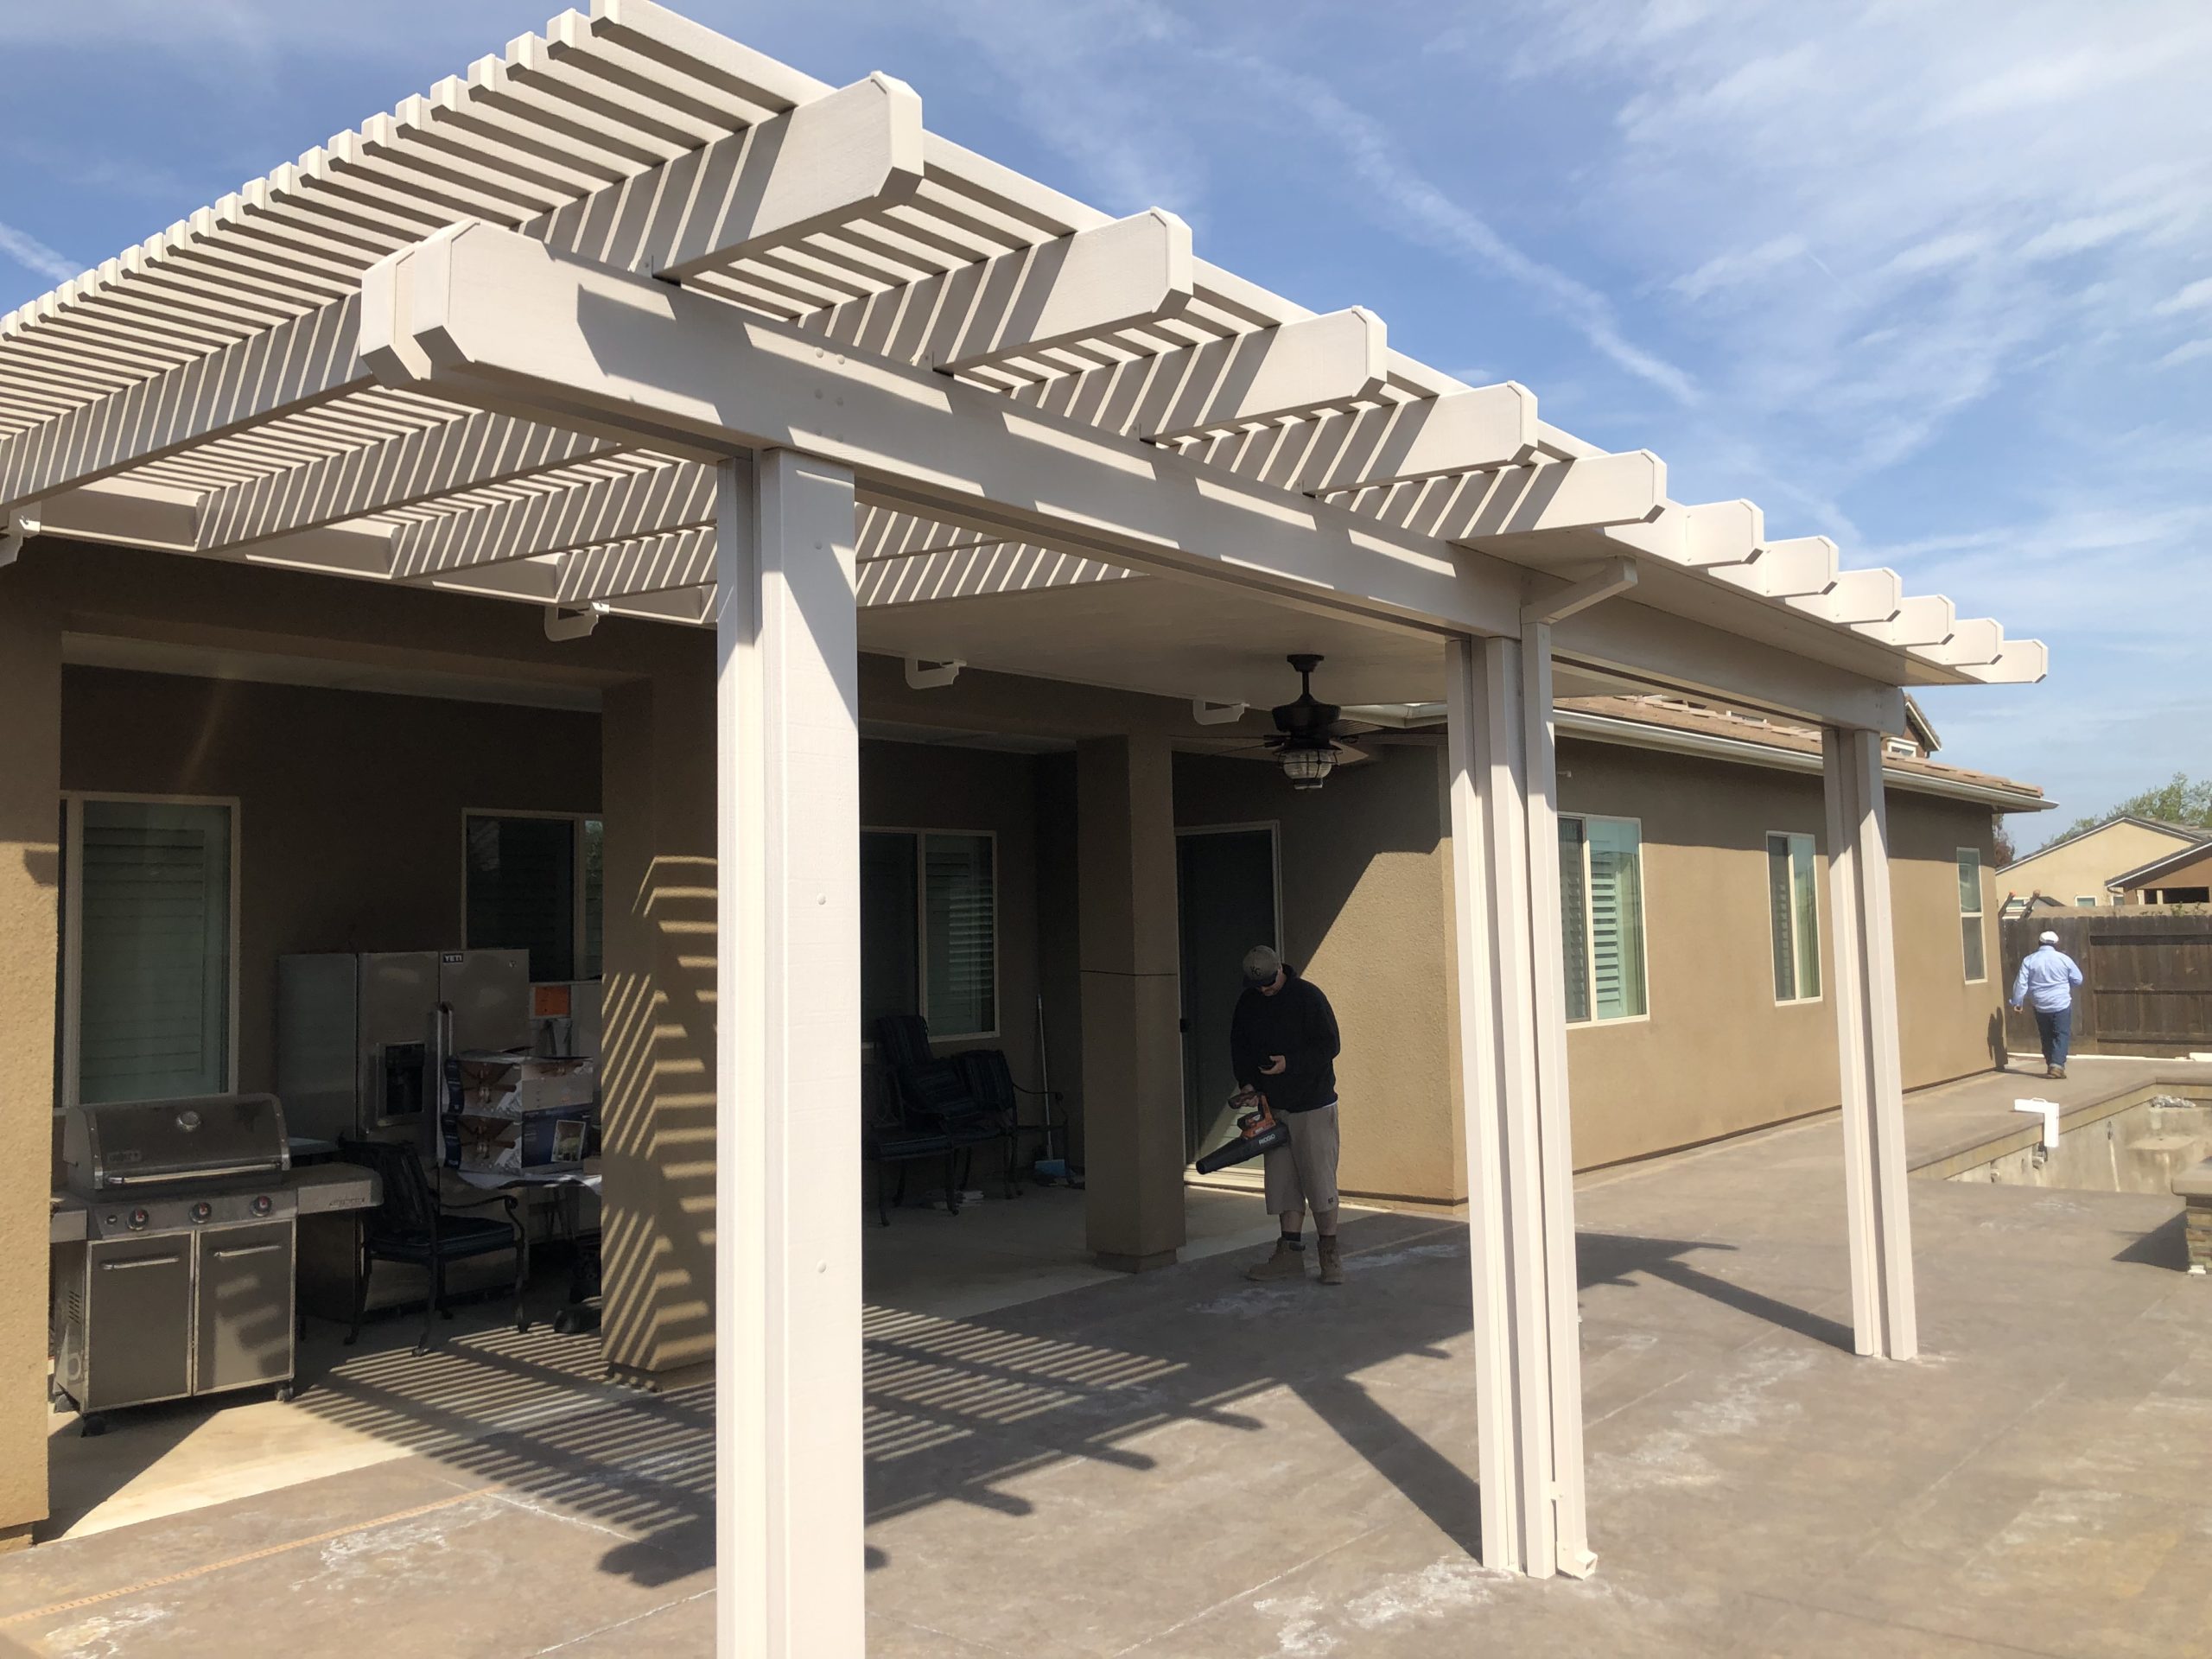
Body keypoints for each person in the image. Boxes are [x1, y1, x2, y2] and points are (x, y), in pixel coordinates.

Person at [1230, 944, 1344, 1286]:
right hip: (1273, 1106)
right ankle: (1289, 1253)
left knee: (1319, 1180)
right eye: (1258, 986)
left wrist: (1290, 1063)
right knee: (1283, 1184)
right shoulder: (1249, 1003)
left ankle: (1329, 1253)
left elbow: (1330, 1045)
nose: (1264, 990)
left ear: (1280, 969)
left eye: (1268, 983)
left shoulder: (1308, 997)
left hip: (1313, 1104)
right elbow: (1240, 1046)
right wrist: (1248, 1082)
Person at [2011, 929, 2084, 1080]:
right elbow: (2078, 979)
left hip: (2040, 1004)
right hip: (2061, 1003)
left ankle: (2051, 1062)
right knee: (2061, 1034)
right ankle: (2057, 1065)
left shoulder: (2029, 960)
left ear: (2039, 943)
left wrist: (2018, 1002)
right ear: (2056, 944)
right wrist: (2065, 985)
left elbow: (2021, 984)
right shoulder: (2064, 959)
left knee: (2046, 1035)